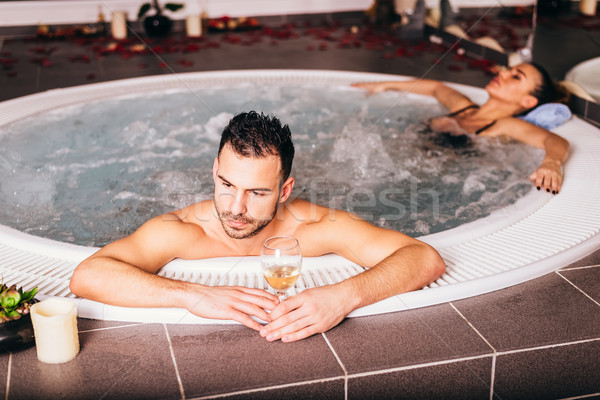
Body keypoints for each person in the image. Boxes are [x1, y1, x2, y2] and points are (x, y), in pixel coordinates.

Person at [70, 111, 446, 342]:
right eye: (227, 185)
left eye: (257, 192)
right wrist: (192, 294)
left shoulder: (316, 226)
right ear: (214, 172)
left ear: (285, 190)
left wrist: (344, 296)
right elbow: (88, 276)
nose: (236, 208)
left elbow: (424, 258)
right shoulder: (182, 229)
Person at [352, 62, 570, 194]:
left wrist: (551, 163)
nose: (502, 73)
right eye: (508, 70)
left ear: (528, 102)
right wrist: (384, 85)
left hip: (415, 183)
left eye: (515, 77)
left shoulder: (505, 125)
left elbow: (554, 141)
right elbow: (437, 88)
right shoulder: (463, 108)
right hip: (379, 166)